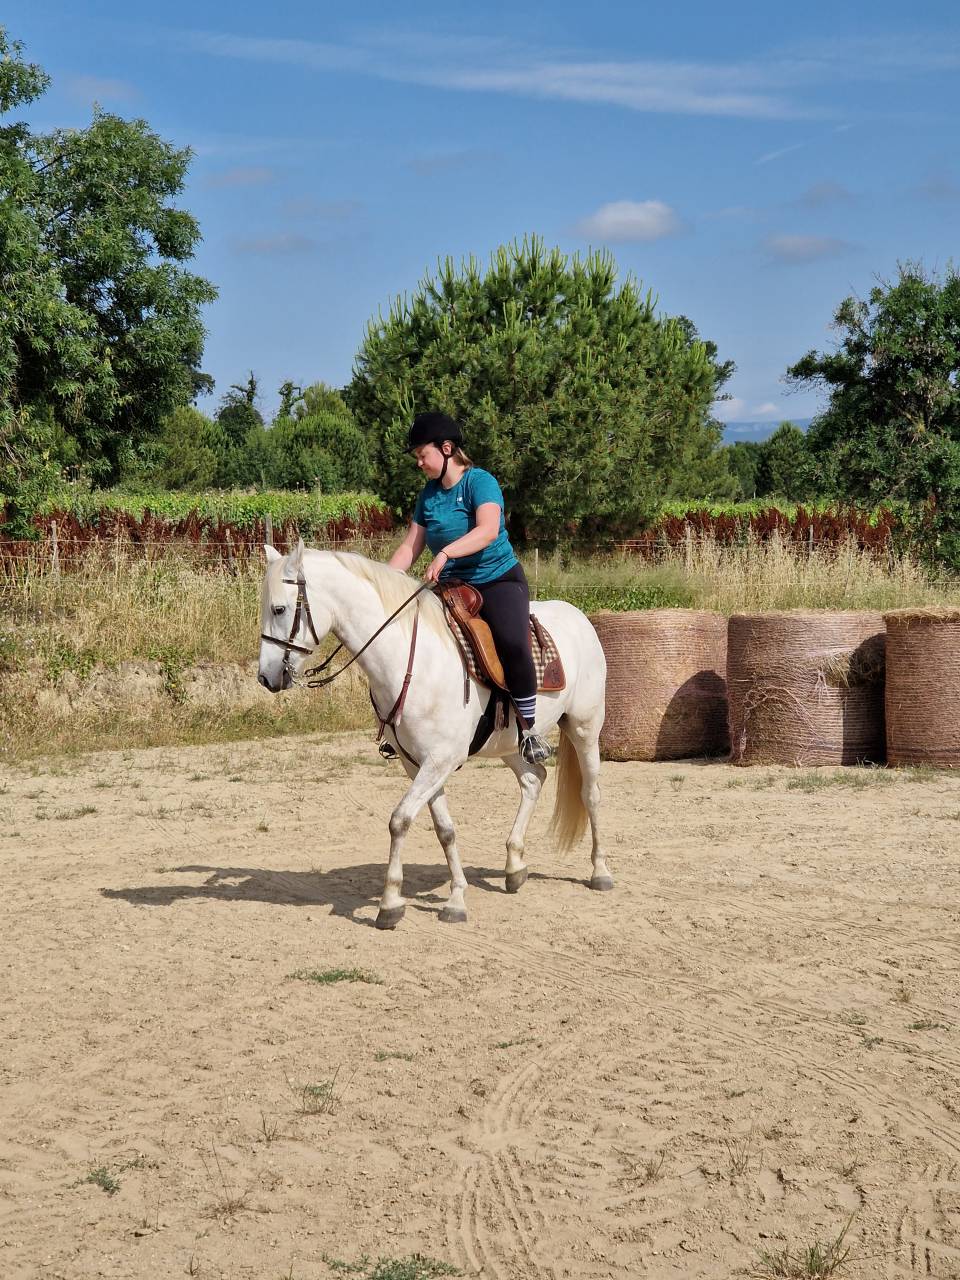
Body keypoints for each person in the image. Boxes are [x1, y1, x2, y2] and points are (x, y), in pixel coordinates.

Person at [387, 411, 552, 765]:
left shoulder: (480, 482)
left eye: (422, 454)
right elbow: (408, 548)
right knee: (410, 641)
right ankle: (402, 727)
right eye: (416, 457)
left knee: (511, 641)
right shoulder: (427, 497)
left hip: (497, 579)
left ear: (447, 449)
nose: (419, 463)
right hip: (450, 588)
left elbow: (488, 530)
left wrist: (445, 552)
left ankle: (529, 730)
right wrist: (381, 584)